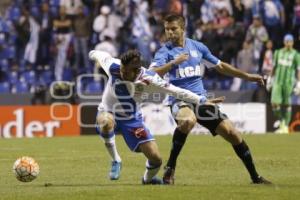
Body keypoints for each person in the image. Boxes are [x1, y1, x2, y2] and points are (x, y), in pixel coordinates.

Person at [150, 14, 271, 185]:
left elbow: (221, 66)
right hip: (179, 100)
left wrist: (248, 76)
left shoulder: (198, 47)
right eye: (167, 29)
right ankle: (170, 167)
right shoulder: (164, 51)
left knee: (233, 134)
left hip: (201, 100)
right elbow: (151, 74)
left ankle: (255, 177)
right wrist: (173, 63)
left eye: (173, 29)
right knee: (187, 121)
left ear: (183, 28)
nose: (169, 32)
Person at [88, 49, 224, 183]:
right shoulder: (113, 66)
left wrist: (201, 100)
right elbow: (99, 54)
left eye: (126, 72)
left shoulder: (149, 79)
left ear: (136, 70)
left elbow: (175, 91)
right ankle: (116, 160)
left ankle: (147, 180)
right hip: (108, 111)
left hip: (132, 119)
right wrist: (92, 53)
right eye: (121, 70)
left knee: (156, 159)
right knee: (105, 122)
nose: (121, 73)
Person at [267, 34, 300, 134]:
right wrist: (269, 79)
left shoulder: (296, 55)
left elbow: (298, 70)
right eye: (287, 41)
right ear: (284, 42)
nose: (289, 43)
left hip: (289, 82)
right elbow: (274, 67)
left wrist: (299, 83)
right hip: (277, 82)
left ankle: (285, 126)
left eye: (290, 41)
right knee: (274, 103)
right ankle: (282, 122)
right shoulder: (278, 53)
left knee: (286, 104)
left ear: (293, 42)